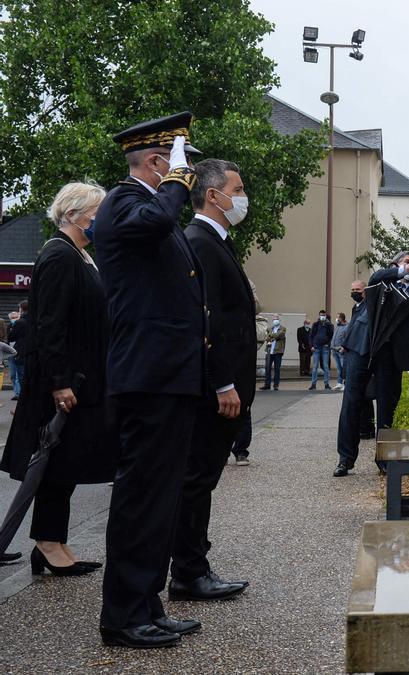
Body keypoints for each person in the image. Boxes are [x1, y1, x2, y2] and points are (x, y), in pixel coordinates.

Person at [92, 112, 205, 649]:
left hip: (168, 376)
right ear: (159, 162)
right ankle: (121, 615)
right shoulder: (123, 203)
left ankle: (146, 603)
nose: (186, 173)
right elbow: (157, 223)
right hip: (148, 376)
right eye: (180, 163)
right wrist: (178, 187)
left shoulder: (149, 208)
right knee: (140, 498)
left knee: (159, 499)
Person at [1, 182, 116, 575]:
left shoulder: (81, 255)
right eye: (96, 212)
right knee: (53, 464)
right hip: (63, 383)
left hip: (82, 379)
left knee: (63, 465)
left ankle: (53, 542)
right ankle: (48, 544)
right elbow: (49, 325)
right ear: (73, 214)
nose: (101, 218)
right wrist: (59, 381)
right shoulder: (58, 255)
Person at [169, 159, 257, 602]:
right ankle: (188, 572)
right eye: (237, 189)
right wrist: (222, 382)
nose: (242, 197)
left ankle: (192, 559)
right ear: (213, 195)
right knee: (196, 478)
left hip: (224, 384)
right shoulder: (200, 241)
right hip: (214, 389)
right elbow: (208, 322)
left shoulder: (216, 240)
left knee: (201, 478)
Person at [333, 253, 409, 477]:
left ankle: (384, 459)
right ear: (396, 264)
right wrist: (405, 270)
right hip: (363, 346)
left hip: (391, 353)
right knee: (352, 402)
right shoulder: (382, 279)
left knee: (387, 406)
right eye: (406, 260)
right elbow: (376, 277)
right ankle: (345, 459)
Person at [7, 302, 28, 400]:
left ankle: (23, 397)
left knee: (21, 376)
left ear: (22, 310)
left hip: (20, 352)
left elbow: (11, 337)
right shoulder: (36, 319)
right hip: (33, 352)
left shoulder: (20, 322)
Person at [308, 310, 333, 390]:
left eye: (324, 315)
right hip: (316, 347)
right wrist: (311, 346)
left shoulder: (329, 325)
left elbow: (331, 336)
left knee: (325, 366)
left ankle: (326, 384)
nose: (322, 316)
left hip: (325, 348)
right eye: (321, 315)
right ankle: (313, 384)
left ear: (325, 316)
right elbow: (311, 336)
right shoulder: (315, 324)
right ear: (319, 316)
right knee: (315, 366)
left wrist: (328, 344)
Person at [262, 316, 285, 391]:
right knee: (267, 368)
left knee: (277, 369)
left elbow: (279, 335)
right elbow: (266, 338)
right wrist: (273, 337)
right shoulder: (269, 329)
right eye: (274, 319)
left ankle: (276, 385)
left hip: (278, 351)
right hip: (269, 351)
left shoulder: (283, 328)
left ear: (279, 320)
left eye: (277, 319)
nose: (275, 320)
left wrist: (271, 336)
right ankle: (267, 384)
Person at [330, 312, 348, 390]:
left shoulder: (347, 327)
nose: (336, 319)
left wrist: (343, 348)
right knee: (339, 369)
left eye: (338, 317)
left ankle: (345, 384)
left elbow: (347, 339)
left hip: (341, 351)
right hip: (334, 351)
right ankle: (339, 383)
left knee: (344, 368)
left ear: (341, 318)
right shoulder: (337, 326)